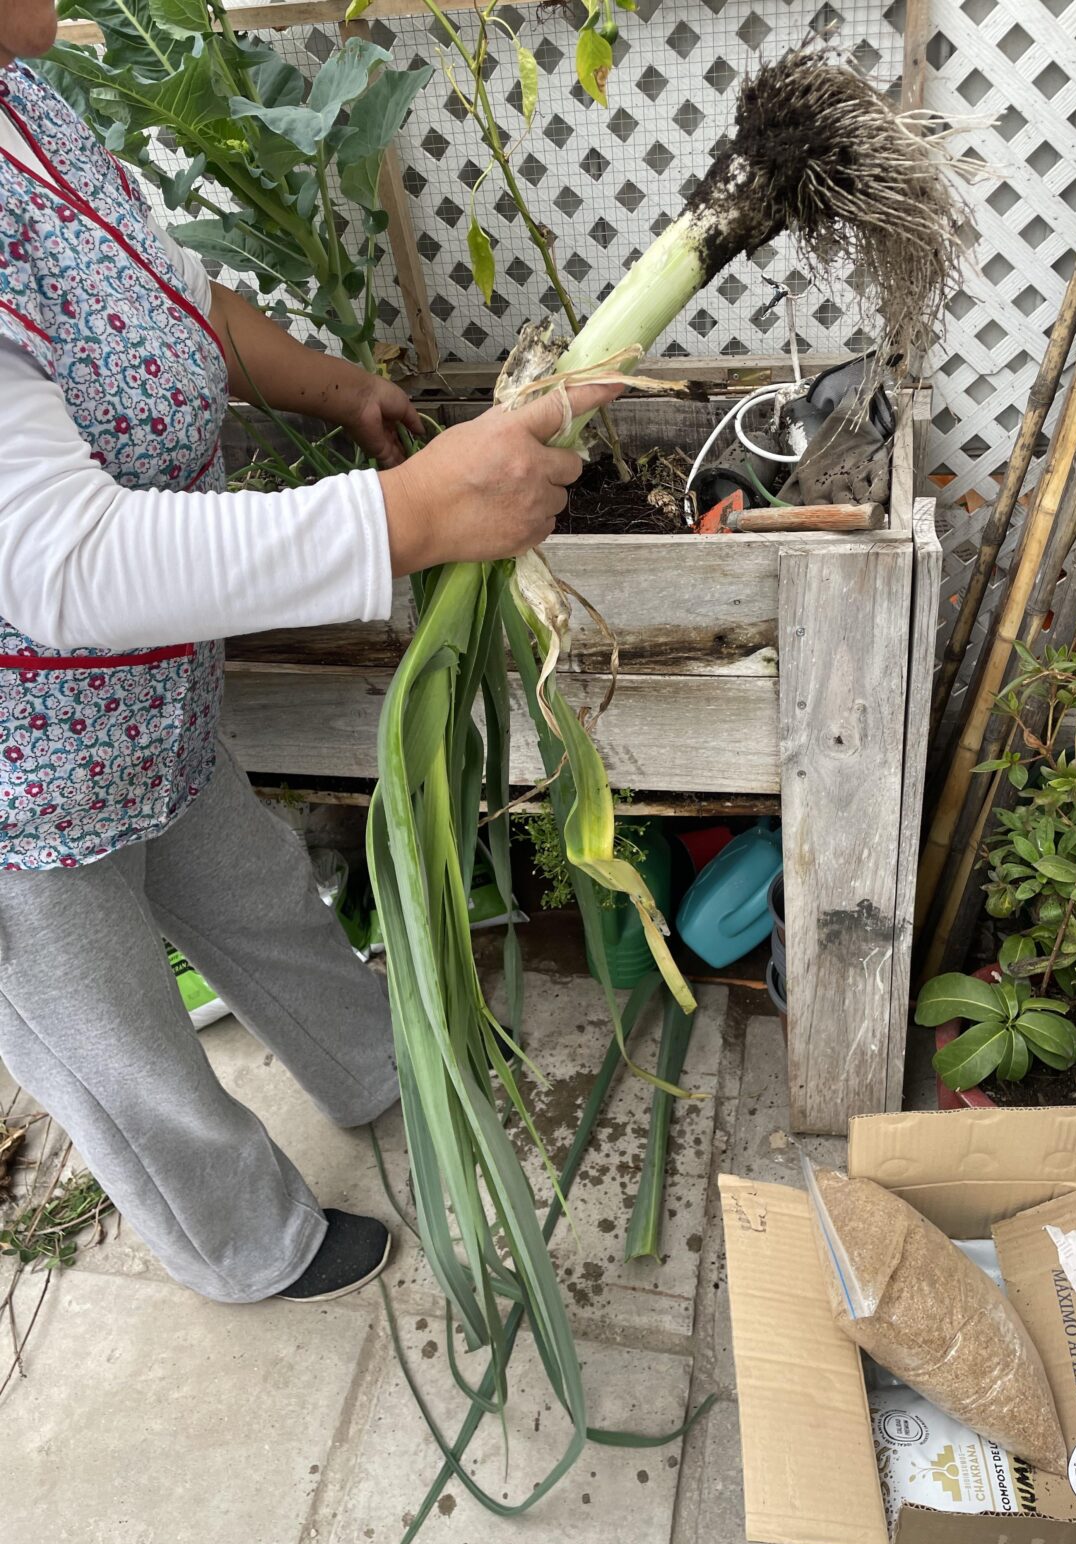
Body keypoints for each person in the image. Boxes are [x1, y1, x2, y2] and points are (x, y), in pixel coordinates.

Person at [0, 3, 619, 1304]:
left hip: (138, 691)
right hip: (17, 778)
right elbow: (57, 562)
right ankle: (244, 1246)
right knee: (114, 1038)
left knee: (253, 888)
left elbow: (175, 293)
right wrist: (410, 516)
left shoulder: (25, 95)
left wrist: (331, 386)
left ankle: (380, 1067)